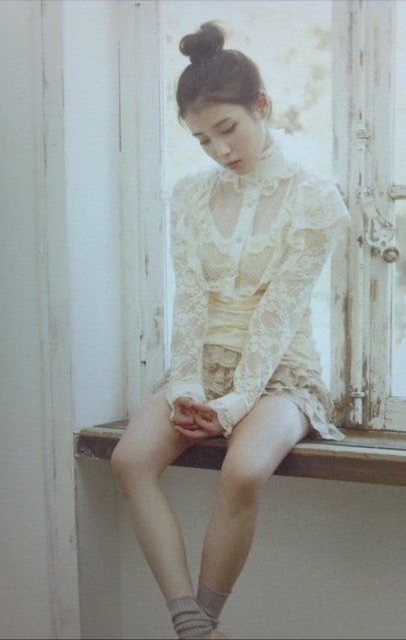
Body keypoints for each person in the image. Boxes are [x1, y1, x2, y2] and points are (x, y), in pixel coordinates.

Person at [111, 21, 349, 640]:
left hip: (280, 373)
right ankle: (191, 623)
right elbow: (190, 300)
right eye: (202, 139)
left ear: (260, 106)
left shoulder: (314, 198)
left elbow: (279, 313)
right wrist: (189, 388)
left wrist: (235, 404)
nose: (219, 150)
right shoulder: (190, 198)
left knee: (242, 471)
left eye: (227, 129)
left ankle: (203, 623)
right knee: (129, 459)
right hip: (204, 365)